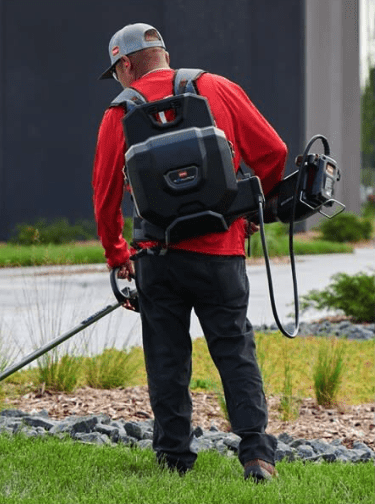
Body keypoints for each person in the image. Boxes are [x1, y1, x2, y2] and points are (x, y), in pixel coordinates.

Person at [92, 23, 287, 482]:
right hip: (222, 250)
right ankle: (257, 455)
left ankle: (175, 459)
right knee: (235, 349)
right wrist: (257, 205)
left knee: (166, 357)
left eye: (116, 70)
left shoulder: (117, 112)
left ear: (125, 64)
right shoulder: (216, 86)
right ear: (163, 53)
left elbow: (104, 196)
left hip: (157, 256)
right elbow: (274, 151)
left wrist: (118, 255)